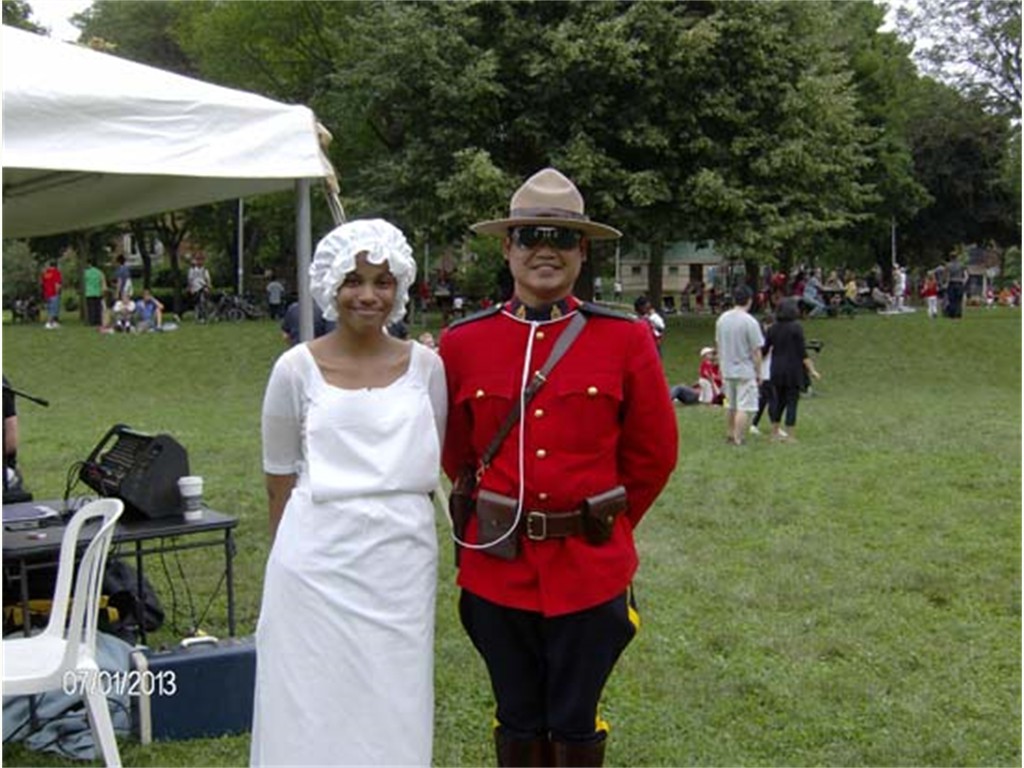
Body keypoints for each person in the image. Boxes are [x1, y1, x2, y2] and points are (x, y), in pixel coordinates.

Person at [439, 168, 678, 767]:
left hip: (589, 566)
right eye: (530, 235)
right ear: (507, 247)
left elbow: (652, 455)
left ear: (582, 250)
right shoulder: (464, 343)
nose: (545, 249)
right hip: (498, 568)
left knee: (575, 720)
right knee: (517, 716)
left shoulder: (623, 338)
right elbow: (455, 451)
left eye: (562, 237)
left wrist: (602, 521)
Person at [251, 219, 447, 766]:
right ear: (330, 286)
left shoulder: (427, 368)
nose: (368, 295)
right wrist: (283, 568)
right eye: (353, 281)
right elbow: (278, 480)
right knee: (310, 697)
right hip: (315, 562)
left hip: (401, 562)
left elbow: (432, 453)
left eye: (382, 282)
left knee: (394, 697)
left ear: (399, 288)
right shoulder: (295, 369)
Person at [763, 297, 821, 442]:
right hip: (793, 370)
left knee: (779, 402)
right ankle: (790, 435)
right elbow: (802, 353)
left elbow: (764, 350)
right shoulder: (796, 328)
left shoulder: (772, 328)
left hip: (776, 369)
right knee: (792, 402)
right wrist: (812, 370)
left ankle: (774, 432)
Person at [715, 284, 764, 445]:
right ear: (749, 300)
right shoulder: (750, 322)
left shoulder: (722, 319)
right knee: (744, 406)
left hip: (727, 368)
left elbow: (719, 345)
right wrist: (759, 372)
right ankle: (738, 437)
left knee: (731, 404)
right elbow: (756, 351)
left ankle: (730, 434)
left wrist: (720, 366)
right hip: (744, 369)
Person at [750, 315, 775, 435]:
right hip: (765, 373)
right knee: (772, 399)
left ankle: (754, 424)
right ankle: (774, 425)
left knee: (764, 400)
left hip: (770, 372)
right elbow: (760, 356)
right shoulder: (762, 340)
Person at [187, 253, 212, 322]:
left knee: (203, 302)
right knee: (197, 303)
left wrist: (208, 287)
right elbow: (190, 280)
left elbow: (207, 279)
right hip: (195, 289)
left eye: (201, 260)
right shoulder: (192, 270)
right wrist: (190, 288)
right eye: (198, 260)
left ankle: (203, 316)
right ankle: (198, 316)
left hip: (203, 288)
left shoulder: (205, 270)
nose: (199, 262)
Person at [83, 259, 107, 327]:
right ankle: (98, 321)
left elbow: (84, 282)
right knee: (98, 308)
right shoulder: (99, 272)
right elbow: (103, 282)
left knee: (91, 308)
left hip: (89, 292)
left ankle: (92, 322)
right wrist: (103, 291)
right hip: (97, 292)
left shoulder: (86, 272)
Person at [944, 251, 968, 319]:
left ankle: (952, 314)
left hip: (952, 283)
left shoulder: (948, 265)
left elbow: (947, 276)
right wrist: (963, 282)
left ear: (950, 257)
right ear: (957, 257)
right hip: (959, 283)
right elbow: (966, 275)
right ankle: (958, 314)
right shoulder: (961, 265)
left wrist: (946, 284)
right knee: (959, 300)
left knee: (952, 300)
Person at [40, 259, 62, 329]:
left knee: (49, 308)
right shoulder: (56, 272)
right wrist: (57, 292)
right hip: (53, 293)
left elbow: (42, 283)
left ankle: (54, 323)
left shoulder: (46, 273)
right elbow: (57, 284)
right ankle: (49, 323)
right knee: (54, 309)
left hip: (46, 293)